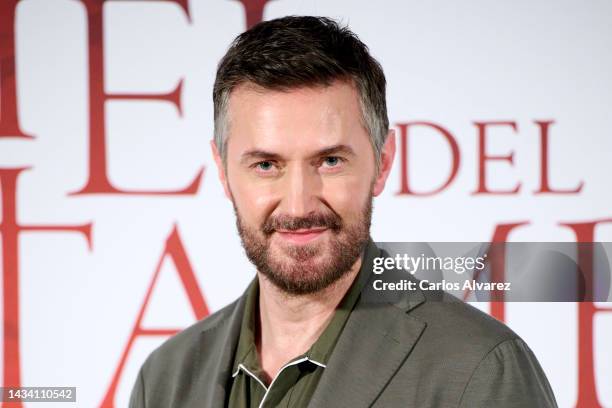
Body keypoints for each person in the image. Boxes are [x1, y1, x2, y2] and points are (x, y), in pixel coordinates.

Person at [129, 16, 557, 407]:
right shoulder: (165, 380)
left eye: (330, 161)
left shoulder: (480, 370)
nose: (298, 205)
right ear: (223, 173)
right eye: (266, 165)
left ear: (383, 163)